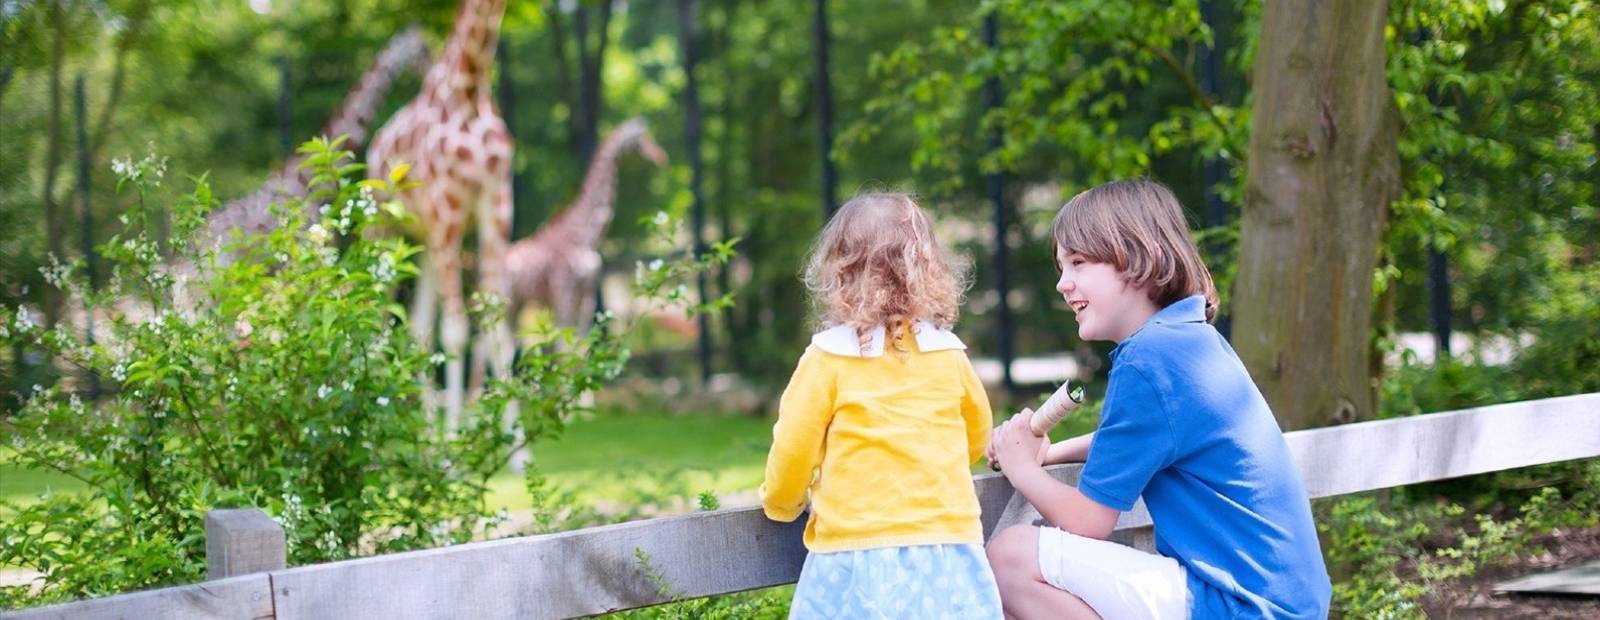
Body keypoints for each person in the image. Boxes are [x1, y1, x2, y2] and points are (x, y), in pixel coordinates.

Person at [985, 179, 1331, 619]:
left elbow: (1089, 521)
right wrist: (1053, 453)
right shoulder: (1188, 340)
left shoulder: (1148, 361)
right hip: (1283, 604)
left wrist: (1021, 468)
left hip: (1240, 605)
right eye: (1061, 268)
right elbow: (1140, 438)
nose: (1063, 284)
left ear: (1137, 260)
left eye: (1077, 262)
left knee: (1011, 558)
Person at [760, 192, 1003, 619]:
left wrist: (782, 502)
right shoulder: (947, 354)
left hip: (856, 554)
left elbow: (794, 446)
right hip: (947, 550)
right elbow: (976, 432)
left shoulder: (828, 358)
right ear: (928, 270)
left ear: (840, 273)